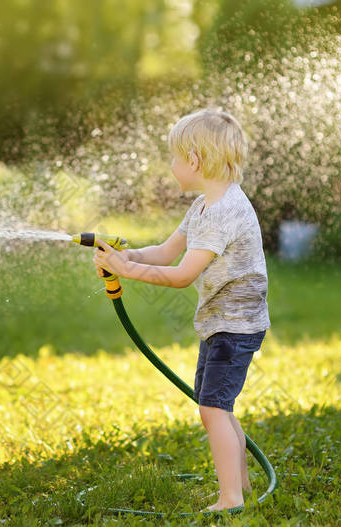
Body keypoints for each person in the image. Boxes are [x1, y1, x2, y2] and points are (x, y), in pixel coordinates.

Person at [92, 108, 270, 513]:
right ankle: (239, 485)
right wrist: (126, 255)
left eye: (173, 157)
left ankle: (230, 499)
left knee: (212, 409)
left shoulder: (223, 213)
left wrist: (127, 271)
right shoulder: (204, 207)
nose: (171, 166)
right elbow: (167, 252)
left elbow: (181, 275)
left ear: (193, 159)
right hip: (220, 322)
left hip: (235, 326)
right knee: (218, 407)